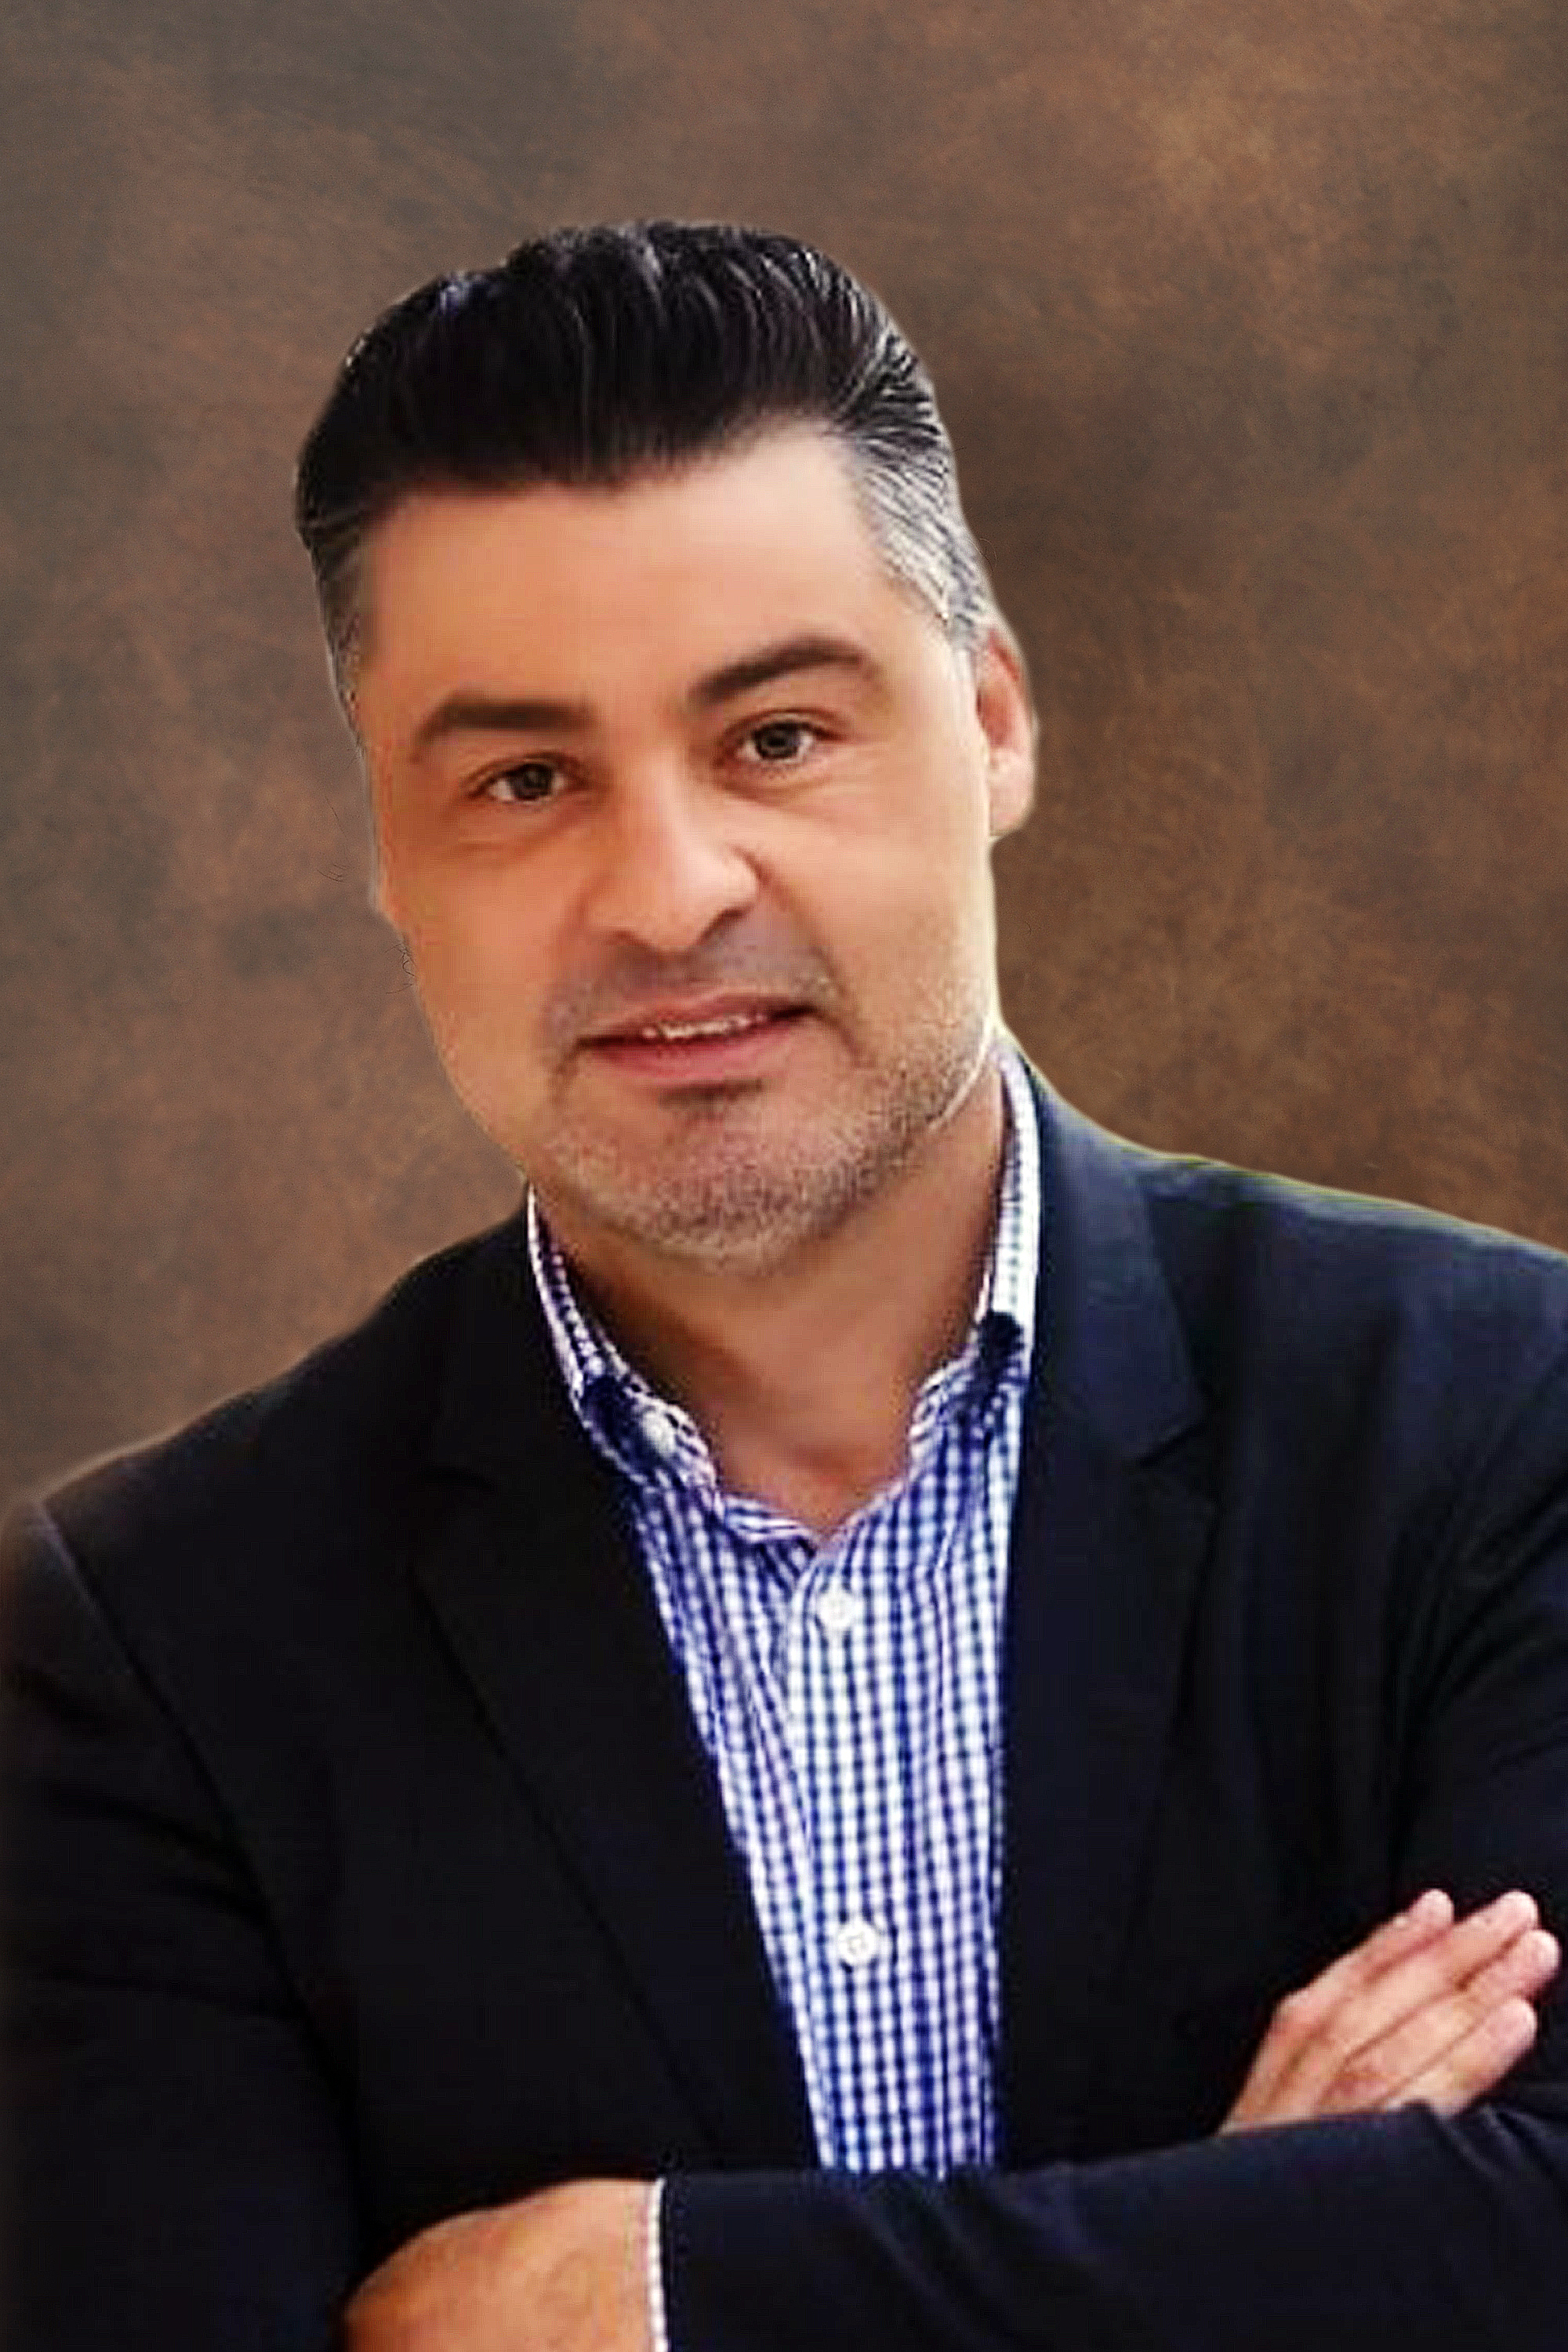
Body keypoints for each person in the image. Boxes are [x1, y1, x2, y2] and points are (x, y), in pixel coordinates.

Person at [4, 220, 1568, 2352]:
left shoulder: (1496, 1429)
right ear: (387, 847)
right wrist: (1245, 2257)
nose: (666, 894)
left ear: (993, 724)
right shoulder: (144, 1647)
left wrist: (643, 2295)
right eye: (526, 780)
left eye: (775, 738)